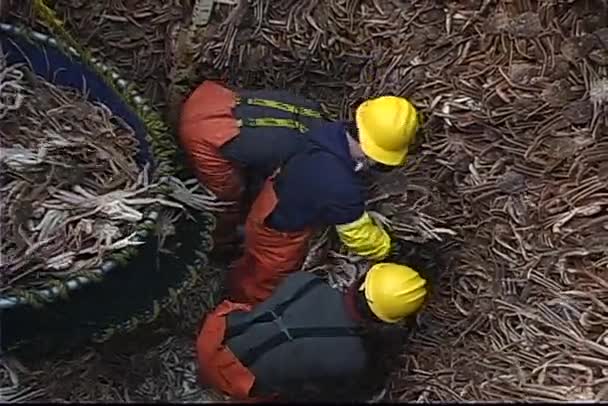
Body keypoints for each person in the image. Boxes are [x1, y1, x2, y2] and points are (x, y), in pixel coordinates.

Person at [229, 96, 420, 304]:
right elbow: (357, 236)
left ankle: (239, 270)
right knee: (266, 279)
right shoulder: (341, 188)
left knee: (253, 259)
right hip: (279, 233)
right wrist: (387, 248)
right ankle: (244, 307)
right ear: (372, 153)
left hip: (271, 198)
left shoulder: (330, 132)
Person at [196, 262, 428, 402]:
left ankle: (201, 376)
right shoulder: (350, 358)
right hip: (235, 381)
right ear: (385, 321)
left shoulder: (305, 281)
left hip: (212, 335)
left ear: (361, 280)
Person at [179, 80, 329, 249]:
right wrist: (224, 233)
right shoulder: (308, 156)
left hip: (210, 99)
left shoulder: (309, 109)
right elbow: (225, 195)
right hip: (209, 138)